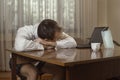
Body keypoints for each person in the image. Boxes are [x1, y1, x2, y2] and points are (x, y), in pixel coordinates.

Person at [9, 19, 77, 80]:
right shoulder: (25, 30)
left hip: (38, 61)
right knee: (33, 73)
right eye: (56, 39)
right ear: (45, 39)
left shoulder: (54, 31)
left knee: (60, 71)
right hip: (18, 62)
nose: (58, 39)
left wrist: (53, 43)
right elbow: (20, 46)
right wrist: (43, 46)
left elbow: (73, 42)